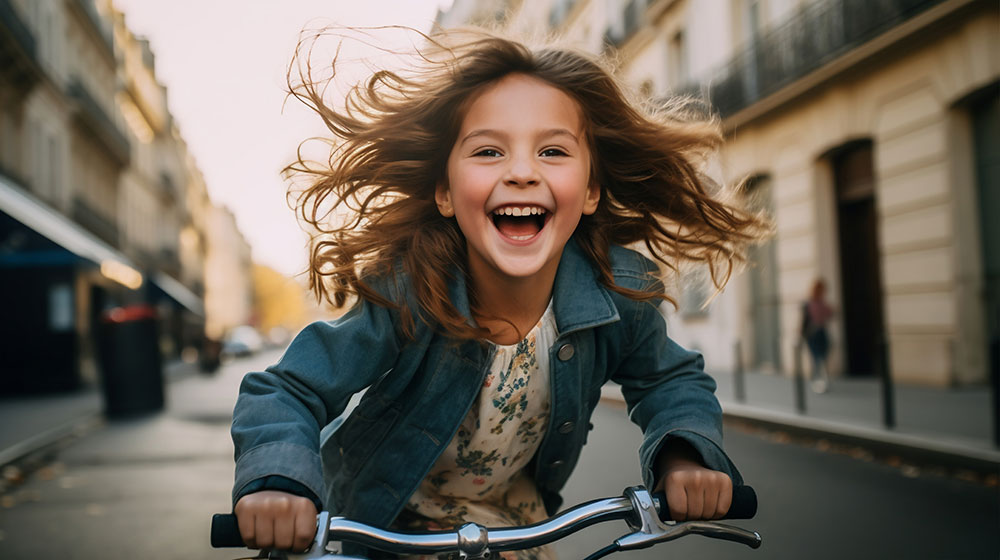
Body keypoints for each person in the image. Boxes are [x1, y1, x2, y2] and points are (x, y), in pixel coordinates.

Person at [229, 28, 767, 559]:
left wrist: (684, 456)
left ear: (590, 191)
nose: (521, 172)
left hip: (515, 528)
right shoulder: (411, 291)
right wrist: (281, 482)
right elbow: (287, 390)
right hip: (383, 527)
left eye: (553, 151)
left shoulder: (618, 291)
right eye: (488, 151)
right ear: (444, 192)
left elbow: (670, 380)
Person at [801, 279, 835, 393]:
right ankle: (818, 382)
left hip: (821, 332)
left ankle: (822, 381)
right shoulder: (810, 303)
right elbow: (808, 319)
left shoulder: (821, 302)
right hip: (813, 333)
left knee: (822, 357)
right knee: (816, 358)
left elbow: (830, 313)